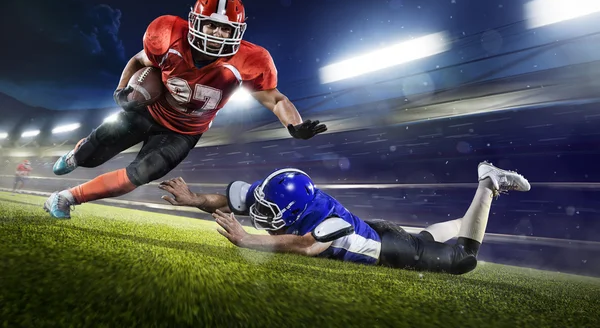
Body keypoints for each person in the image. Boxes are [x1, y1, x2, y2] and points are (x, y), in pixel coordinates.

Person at [43, 0, 327, 219]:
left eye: (225, 29)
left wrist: (295, 124)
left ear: (237, 32)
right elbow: (138, 60)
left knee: (139, 175)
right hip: (149, 110)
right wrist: (121, 90)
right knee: (92, 156)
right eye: (212, 25)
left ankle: (66, 198)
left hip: (184, 131)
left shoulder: (251, 60)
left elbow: (275, 99)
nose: (216, 34)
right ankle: (75, 156)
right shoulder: (167, 35)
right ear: (195, 22)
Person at [158, 161, 530, 274]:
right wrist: (193, 199)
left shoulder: (322, 222)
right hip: (380, 231)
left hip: (391, 249)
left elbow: (306, 247)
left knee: (463, 260)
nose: (257, 214)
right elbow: (232, 199)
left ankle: (487, 184)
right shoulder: (285, 196)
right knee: (430, 237)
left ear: (293, 211)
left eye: (267, 211)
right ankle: (477, 213)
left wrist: (247, 239)